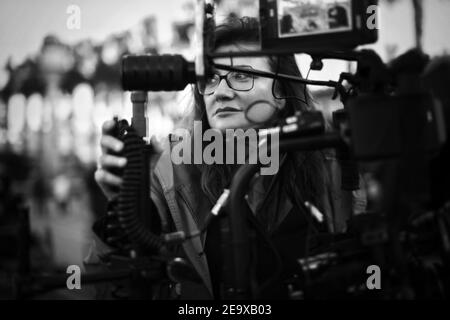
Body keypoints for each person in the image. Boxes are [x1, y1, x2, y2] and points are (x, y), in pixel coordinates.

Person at [90, 17, 362, 299]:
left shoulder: (333, 166)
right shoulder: (172, 170)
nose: (220, 92)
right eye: (210, 79)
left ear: (281, 93)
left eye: (241, 75)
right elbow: (104, 286)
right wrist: (122, 210)